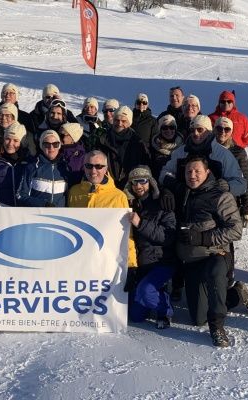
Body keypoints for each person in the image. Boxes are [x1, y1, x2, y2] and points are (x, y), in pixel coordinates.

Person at [158, 114, 246, 301]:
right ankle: (182, 285)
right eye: (193, 130)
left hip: (215, 211)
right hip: (187, 203)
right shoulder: (181, 151)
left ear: (209, 131)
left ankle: (228, 288)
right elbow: (164, 172)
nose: (196, 133)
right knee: (184, 243)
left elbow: (241, 183)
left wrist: (227, 187)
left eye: (201, 130)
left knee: (219, 248)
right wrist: (171, 187)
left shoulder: (221, 154)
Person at [176, 157, 242, 347]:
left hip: (215, 254)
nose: (192, 175)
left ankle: (217, 327)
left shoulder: (220, 196)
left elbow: (235, 230)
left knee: (215, 274)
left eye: (197, 171)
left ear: (207, 172)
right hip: (191, 261)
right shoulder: (183, 194)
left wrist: (202, 238)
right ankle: (235, 294)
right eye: (188, 172)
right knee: (197, 319)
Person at [67, 150, 137, 284]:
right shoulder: (74, 192)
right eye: (89, 166)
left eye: (98, 166)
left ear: (106, 169)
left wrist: (131, 265)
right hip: (80, 260)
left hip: (106, 259)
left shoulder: (118, 196)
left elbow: (127, 235)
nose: (93, 170)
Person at [123, 166, 176, 329]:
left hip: (161, 262)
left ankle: (165, 308)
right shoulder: (129, 204)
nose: (138, 186)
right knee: (136, 316)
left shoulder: (163, 203)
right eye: (134, 183)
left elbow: (168, 236)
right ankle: (152, 297)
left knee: (146, 292)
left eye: (142, 181)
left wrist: (141, 224)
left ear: (150, 182)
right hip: (139, 266)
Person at [96, 106, 150, 189]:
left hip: (130, 187)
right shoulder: (102, 140)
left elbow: (144, 167)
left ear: (129, 123)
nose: (119, 124)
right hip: (107, 186)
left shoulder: (138, 142)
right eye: (117, 120)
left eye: (124, 121)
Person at [0, 122, 32, 207]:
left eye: (15, 140)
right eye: (7, 139)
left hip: (23, 211)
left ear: (22, 142)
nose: (10, 144)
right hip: (1, 209)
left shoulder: (28, 161)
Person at [214, 117, 248, 227]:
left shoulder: (238, 152)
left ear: (231, 131)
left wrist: (247, 209)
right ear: (214, 129)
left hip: (230, 201)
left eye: (227, 129)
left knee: (227, 236)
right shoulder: (208, 148)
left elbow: (244, 180)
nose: (222, 132)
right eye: (219, 128)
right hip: (210, 200)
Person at [17, 130, 69, 207]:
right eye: (46, 144)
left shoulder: (65, 167)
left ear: (59, 146)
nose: (51, 147)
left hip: (59, 216)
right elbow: (20, 195)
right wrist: (43, 204)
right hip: (38, 215)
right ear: (41, 146)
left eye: (55, 144)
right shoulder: (32, 167)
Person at [150, 114, 184, 181]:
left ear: (175, 129)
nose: (168, 130)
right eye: (164, 128)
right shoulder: (152, 147)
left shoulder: (183, 147)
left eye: (172, 127)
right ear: (160, 130)